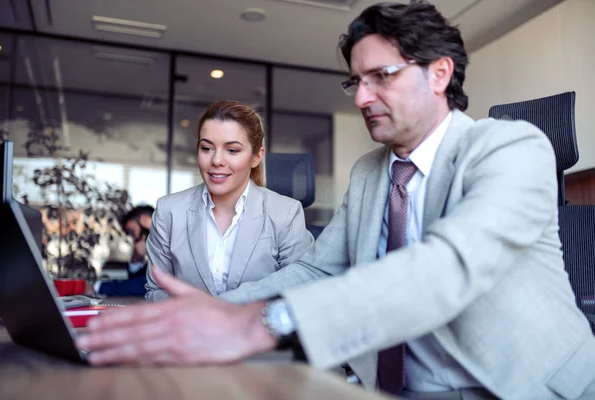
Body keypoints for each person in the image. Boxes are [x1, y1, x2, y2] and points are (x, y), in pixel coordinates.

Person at [76, 2, 595, 399]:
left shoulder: (512, 148)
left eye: (381, 77)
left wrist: (264, 324)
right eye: (356, 82)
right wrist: (214, 309)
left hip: (514, 385)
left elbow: (446, 267)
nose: (363, 97)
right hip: (393, 386)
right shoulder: (371, 171)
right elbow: (320, 270)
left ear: (439, 73)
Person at [144, 100, 313, 300]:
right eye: (207, 148)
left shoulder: (285, 213)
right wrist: (202, 314)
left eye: (232, 150)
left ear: (256, 157)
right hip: (189, 330)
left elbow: (303, 292)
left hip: (256, 330)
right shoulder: (169, 211)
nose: (216, 160)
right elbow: (154, 292)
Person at [92, 205, 153, 297]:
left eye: (132, 231)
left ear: (145, 220)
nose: (133, 238)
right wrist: (136, 259)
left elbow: (147, 285)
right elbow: (136, 283)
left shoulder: (173, 241)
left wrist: (97, 287)